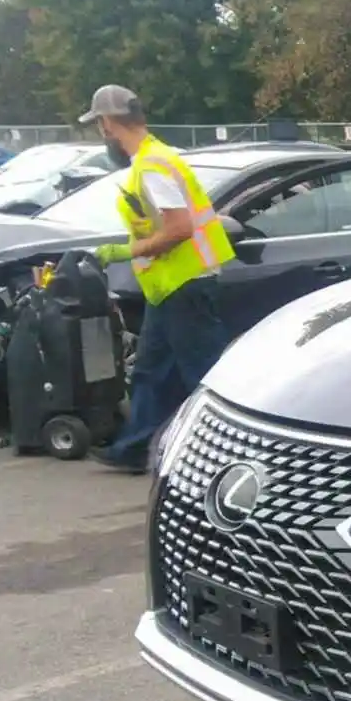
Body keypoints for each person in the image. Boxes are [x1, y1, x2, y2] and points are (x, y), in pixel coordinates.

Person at [78, 85, 236, 474]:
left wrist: (126, 251)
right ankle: (134, 448)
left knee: (205, 374)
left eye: (101, 125)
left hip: (186, 283)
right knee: (152, 370)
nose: (103, 134)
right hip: (169, 286)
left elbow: (180, 227)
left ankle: (230, 453)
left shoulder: (152, 166)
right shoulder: (156, 159)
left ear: (109, 124)